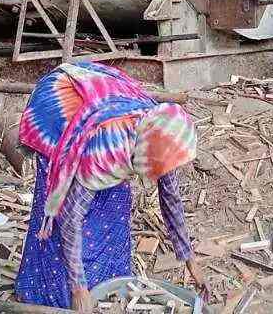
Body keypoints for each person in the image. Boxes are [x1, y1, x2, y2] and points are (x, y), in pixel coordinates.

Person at [12, 61, 208, 311]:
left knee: (113, 207)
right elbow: (69, 217)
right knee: (68, 223)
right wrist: (79, 288)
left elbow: (170, 198)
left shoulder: (162, 135)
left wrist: (189, 259)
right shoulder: (106, 149)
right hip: (56, 112)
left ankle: (107, 285)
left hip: (104, 100)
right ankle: (49, 295)